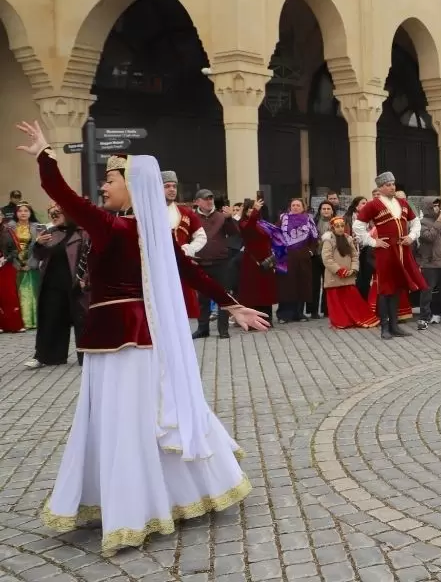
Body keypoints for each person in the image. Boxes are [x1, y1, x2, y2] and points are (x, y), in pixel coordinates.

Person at [15, 120, 269, 557]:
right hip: (123, 337)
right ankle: (168, 493)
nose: (103, 187)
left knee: (125, 422)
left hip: (122, 338)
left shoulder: (115, 229)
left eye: (110, 181)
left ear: (132, 187)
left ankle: (134, 510)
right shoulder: (146, 232)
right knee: (136, 419)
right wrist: (231, 304)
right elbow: (190, 272)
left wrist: (45, 155)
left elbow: (65, 197)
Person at [354, 173, 426, 338]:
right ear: (380, 188)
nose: (392, 187)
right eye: (388, 185)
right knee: (385, 288)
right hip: (385, 251)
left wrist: (411, 236)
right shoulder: (373, 205)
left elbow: (415, 222)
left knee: (398, 288)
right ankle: (385, 327)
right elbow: (358, 226)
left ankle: (395, 326)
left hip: (402, 250)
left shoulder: (402, 203)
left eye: (393, 184)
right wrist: (373, 242)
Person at [27, 204, 90, 367]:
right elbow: (38, 256)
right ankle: (47, 357)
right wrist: (38, 244)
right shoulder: (50, 233)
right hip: (52, 284)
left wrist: (85, 279)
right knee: (51, 319)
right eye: (51, 214)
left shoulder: (82, 233)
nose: (54, 216)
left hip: (75, 284)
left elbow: (90, 257)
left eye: (58, 213)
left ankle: (88, 358)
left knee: (82, 320)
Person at [192, 189, 240, 339]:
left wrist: (229, 219)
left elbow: (234, 233)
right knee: (202, 298)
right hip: (200, 262)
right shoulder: (192, 217)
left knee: (223, 296)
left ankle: (223, 330)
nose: (209, 201)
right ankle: (203, 328)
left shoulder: (221, 216)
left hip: (221, 262)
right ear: (197, 202)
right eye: (205, 199)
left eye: (211, 198)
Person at [161, 171, 206, 320]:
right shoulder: (148, 213)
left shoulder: (185, 212)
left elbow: (201, 236)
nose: (172, 189)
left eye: (174, 186)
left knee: (182, 312)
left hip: (181, 268)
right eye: (167, 186)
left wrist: (189, 249)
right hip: (158, 270)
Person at [320, 217, 378, 329]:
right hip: (334, 277)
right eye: (337, 226)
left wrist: (353, 269)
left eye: (342, 226)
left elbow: (355, 256)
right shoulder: (328, 240)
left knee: (352, 300)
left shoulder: (348, 239)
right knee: (336, 302)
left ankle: (354, 318)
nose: (340, 229)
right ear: (332, 228)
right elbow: (327, 259)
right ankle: (341, 321)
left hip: (348, 275)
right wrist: (339, 270)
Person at [274, 199, 318, 324]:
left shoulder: (308, 219)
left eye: (298, 205)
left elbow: (314, 238)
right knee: (286, 286)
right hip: (286, 258)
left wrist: (310, 252)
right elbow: (276, 235)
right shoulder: (283, 219)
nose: (295, 207)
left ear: (303, 207)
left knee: (301, 284)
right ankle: (284, 314)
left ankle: (298, 313)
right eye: (293, 205)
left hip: (303, 258)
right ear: (290, 207)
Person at [237, 198, 278, 323]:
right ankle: (253, 320)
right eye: (249, 209)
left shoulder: (262, 223)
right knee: (253, 291)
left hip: (266, 260)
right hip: (252, 262)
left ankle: (267, 318)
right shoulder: (243, 223)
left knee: (266, 290)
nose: (252, 211)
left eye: (253, 209)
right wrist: (255, 212)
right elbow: (250, 228)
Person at [8, 201, 42, 328]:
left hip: (32, 263)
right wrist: (17, 263)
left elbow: (41, 247)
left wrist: (31, 263)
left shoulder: (37, 227)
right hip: (15, 264)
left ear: (30, 213)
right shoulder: (9, 227)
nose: (23, 213)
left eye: (26, 211)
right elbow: (7, 248)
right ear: (16, 213)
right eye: (20, 211)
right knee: (17, 293)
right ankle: (21, 321)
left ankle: (35, 320)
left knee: (34, 292)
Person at [0, 224, 23, 333]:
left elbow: (16, 249)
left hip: (7, 265)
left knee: (10, 294)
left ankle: (14, 324)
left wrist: (6, 259)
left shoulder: (8, 231)